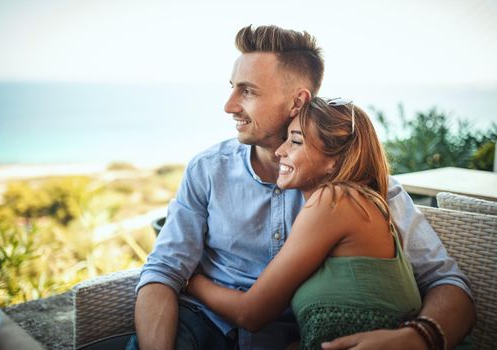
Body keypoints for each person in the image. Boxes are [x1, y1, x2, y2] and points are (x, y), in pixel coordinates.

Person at [130, 25, 475, 350]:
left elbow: (447, 283)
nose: (229, 105)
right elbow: (163, 272)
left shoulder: (361, 186)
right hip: (202, 325)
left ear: (297, 102)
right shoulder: (207, 169)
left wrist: (417, 338)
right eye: (232, 86)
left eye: (247, 91)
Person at [185, 97, 423, 349]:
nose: (280, 151)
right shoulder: (354, 202)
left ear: (335, 160)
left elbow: (251, 313)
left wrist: (190, 280)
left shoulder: (334, 201)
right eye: (286, 138)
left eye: (296, 141)